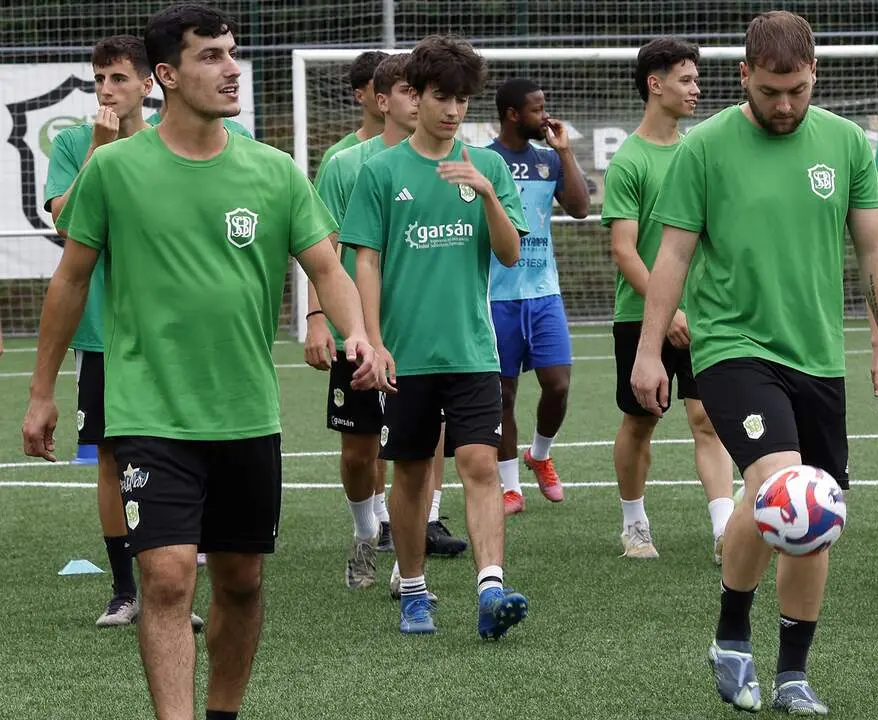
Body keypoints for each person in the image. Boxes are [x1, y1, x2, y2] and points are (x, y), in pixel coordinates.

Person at [21, 5, 386, 718]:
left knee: (242, 580)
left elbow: (326, 263)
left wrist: (358, 332)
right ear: (167, 75)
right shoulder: (115, 171)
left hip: (245, 411)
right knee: (163, 579)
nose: (230, 68)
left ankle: (222, 710)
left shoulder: (273, 170)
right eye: (210, 56)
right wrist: (41, 392)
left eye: (231, 53)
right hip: (148, 410)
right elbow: (69, 281)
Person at [632, 11, 878, 715]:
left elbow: (875, 249)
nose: (784, 106)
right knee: (789, 491)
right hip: (732, 347)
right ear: (743, 77)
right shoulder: (707, 148)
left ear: (815, 73)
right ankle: (732, 632)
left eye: (797, 91)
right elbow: (672, 256)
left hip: (816, 355)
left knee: (811, 520)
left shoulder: (847, 144)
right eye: (769, 92)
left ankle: (790, 672)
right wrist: (648, 352)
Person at [342, 34, 531, 638]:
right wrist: (372, 340)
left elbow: (509, 254)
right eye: (440, 97)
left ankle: (490, 588)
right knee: (412, 474)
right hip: (406, 355)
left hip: (474, 348)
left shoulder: (490, 166)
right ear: (414, 98)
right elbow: (364, 262)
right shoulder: (379, 172)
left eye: (461, 100)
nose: (452, 110)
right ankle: (415, 591)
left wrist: (486, 196)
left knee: (479, 461)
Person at [45, 33, 207, 633]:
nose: (107, 90)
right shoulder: (73, 143)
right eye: (99, 79)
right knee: (112, 458)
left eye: (117, 78)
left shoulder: (179, 138)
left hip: (179, 332)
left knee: (188, 451)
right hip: (105, 336)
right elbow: (67, 218)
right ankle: (124, 588)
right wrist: (99, 146)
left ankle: (177, 581)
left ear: (150, 82)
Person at [601, 37, 735, 561]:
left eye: (696, 79)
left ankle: (725, 528)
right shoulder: (628, 160)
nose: (696, 89)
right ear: (655, 85)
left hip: (704, 315)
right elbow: (624, 250)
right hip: (642, 316)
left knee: (709, 417)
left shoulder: (699, 151)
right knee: (641, 420)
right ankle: (634, 524)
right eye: (686, 79)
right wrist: (668, 310)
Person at [486, 78, 590, 515]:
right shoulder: (485, 161)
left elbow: (582, 208)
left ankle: (540, 454)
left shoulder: (548, 160)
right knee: (503, 394)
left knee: (558, 384)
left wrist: (565, 151)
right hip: (495, 297)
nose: (544, 116)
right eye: (536, 109)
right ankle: (510, 487)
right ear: (512, 114)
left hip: (544, 294)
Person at [315, 50, 388, 179]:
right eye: (380, 87)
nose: (388, 95)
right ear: (359, 96)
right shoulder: (337, 156)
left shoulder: (418, 147)